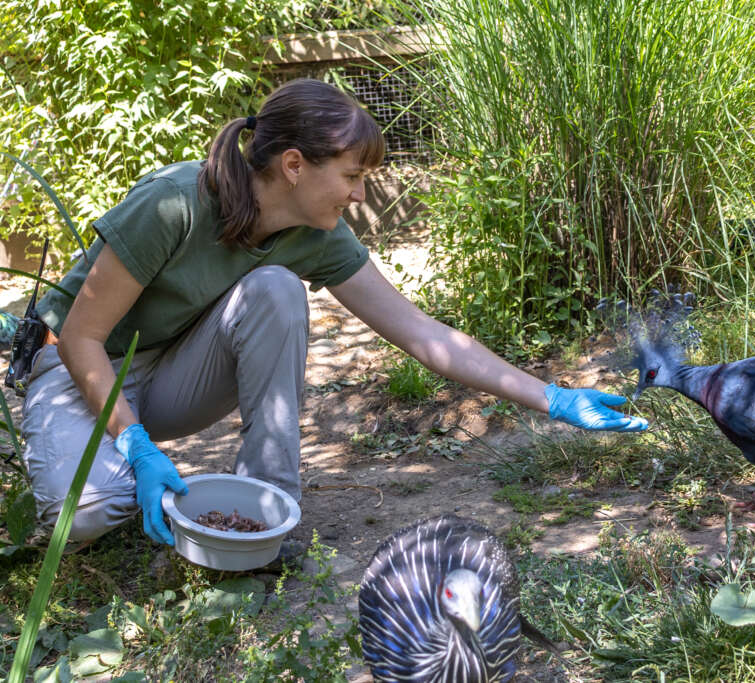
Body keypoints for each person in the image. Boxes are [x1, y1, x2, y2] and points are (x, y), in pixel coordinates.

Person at [23, 78, 647, 554]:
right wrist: (132, 442)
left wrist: (553, 398)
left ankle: (267, 515)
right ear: (294, 165)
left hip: (174, 376)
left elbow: (423, 333)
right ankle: (104, 470)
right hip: (81, 370)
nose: (359, 195)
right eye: (352, 176)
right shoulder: (175, 202)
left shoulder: (316, 234)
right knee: (92, 513)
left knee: (276, 289)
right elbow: (81, 335)